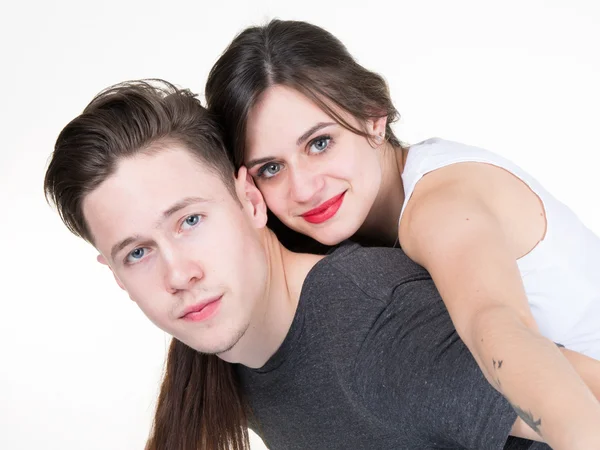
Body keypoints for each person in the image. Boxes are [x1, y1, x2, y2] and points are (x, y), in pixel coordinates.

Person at [43, 79, 594, 450]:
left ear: (250, 200)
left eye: (190, 221)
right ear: (116, 277)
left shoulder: (375, 323)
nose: (178, 273)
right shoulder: (232, 359)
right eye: (138, 252)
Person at [204, 20, 600, 449]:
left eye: (319, 143)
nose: (303, 188)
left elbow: (498, 325)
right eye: (271, 168)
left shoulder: (439, 207)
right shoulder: (347, 255)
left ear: (374, 116)